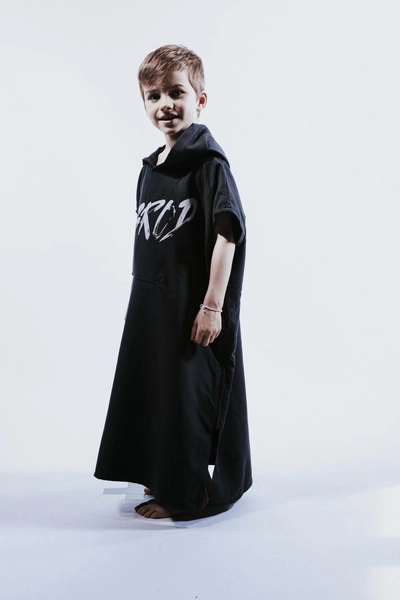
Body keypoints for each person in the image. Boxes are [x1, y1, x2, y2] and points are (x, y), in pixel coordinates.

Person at [94, 44, 252, 519]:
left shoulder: (209, 165)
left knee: (186, 396)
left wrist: (212, 306)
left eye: (176, 93)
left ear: (200, 99)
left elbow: (228, 233)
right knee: (155, 393)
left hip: (189, 306)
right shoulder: (150, 169)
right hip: (151, 306)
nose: (165, 104)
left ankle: (186, 493)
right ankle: (161, 474)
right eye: (154, 95)